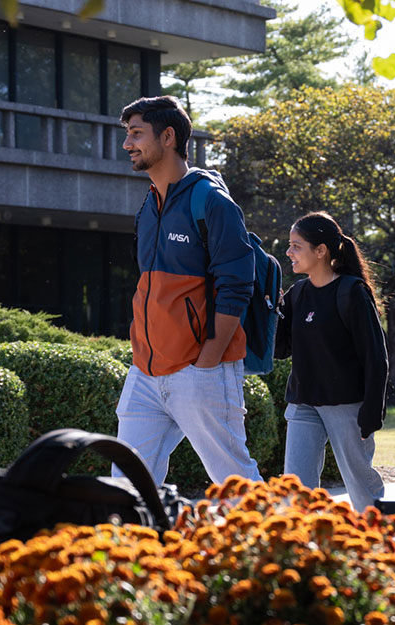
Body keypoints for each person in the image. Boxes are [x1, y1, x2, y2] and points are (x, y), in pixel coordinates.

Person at [112, 96, 262, 486]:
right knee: (126, 483)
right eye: (127, 135)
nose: (127, 144)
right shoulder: (148, 206)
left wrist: (208, 360)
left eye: (136, 134)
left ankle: (286, 546)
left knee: (235, 483)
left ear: (168, 136)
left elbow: (237, 284)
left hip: (200, 370)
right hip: (145, 371)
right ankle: (131, 548)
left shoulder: (210, 201)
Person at [275, 212, 388, 511]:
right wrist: (268, 310)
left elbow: (376, 356)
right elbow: (280, 349)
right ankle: (300, 548)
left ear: (321, 251)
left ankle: (383, 540)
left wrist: (373, 411)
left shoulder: (352, 292)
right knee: (295, 488)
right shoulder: (297, 293)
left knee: (360, 484)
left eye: (296, 246)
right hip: (303, 403)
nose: (289, 252)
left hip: (346, 405)